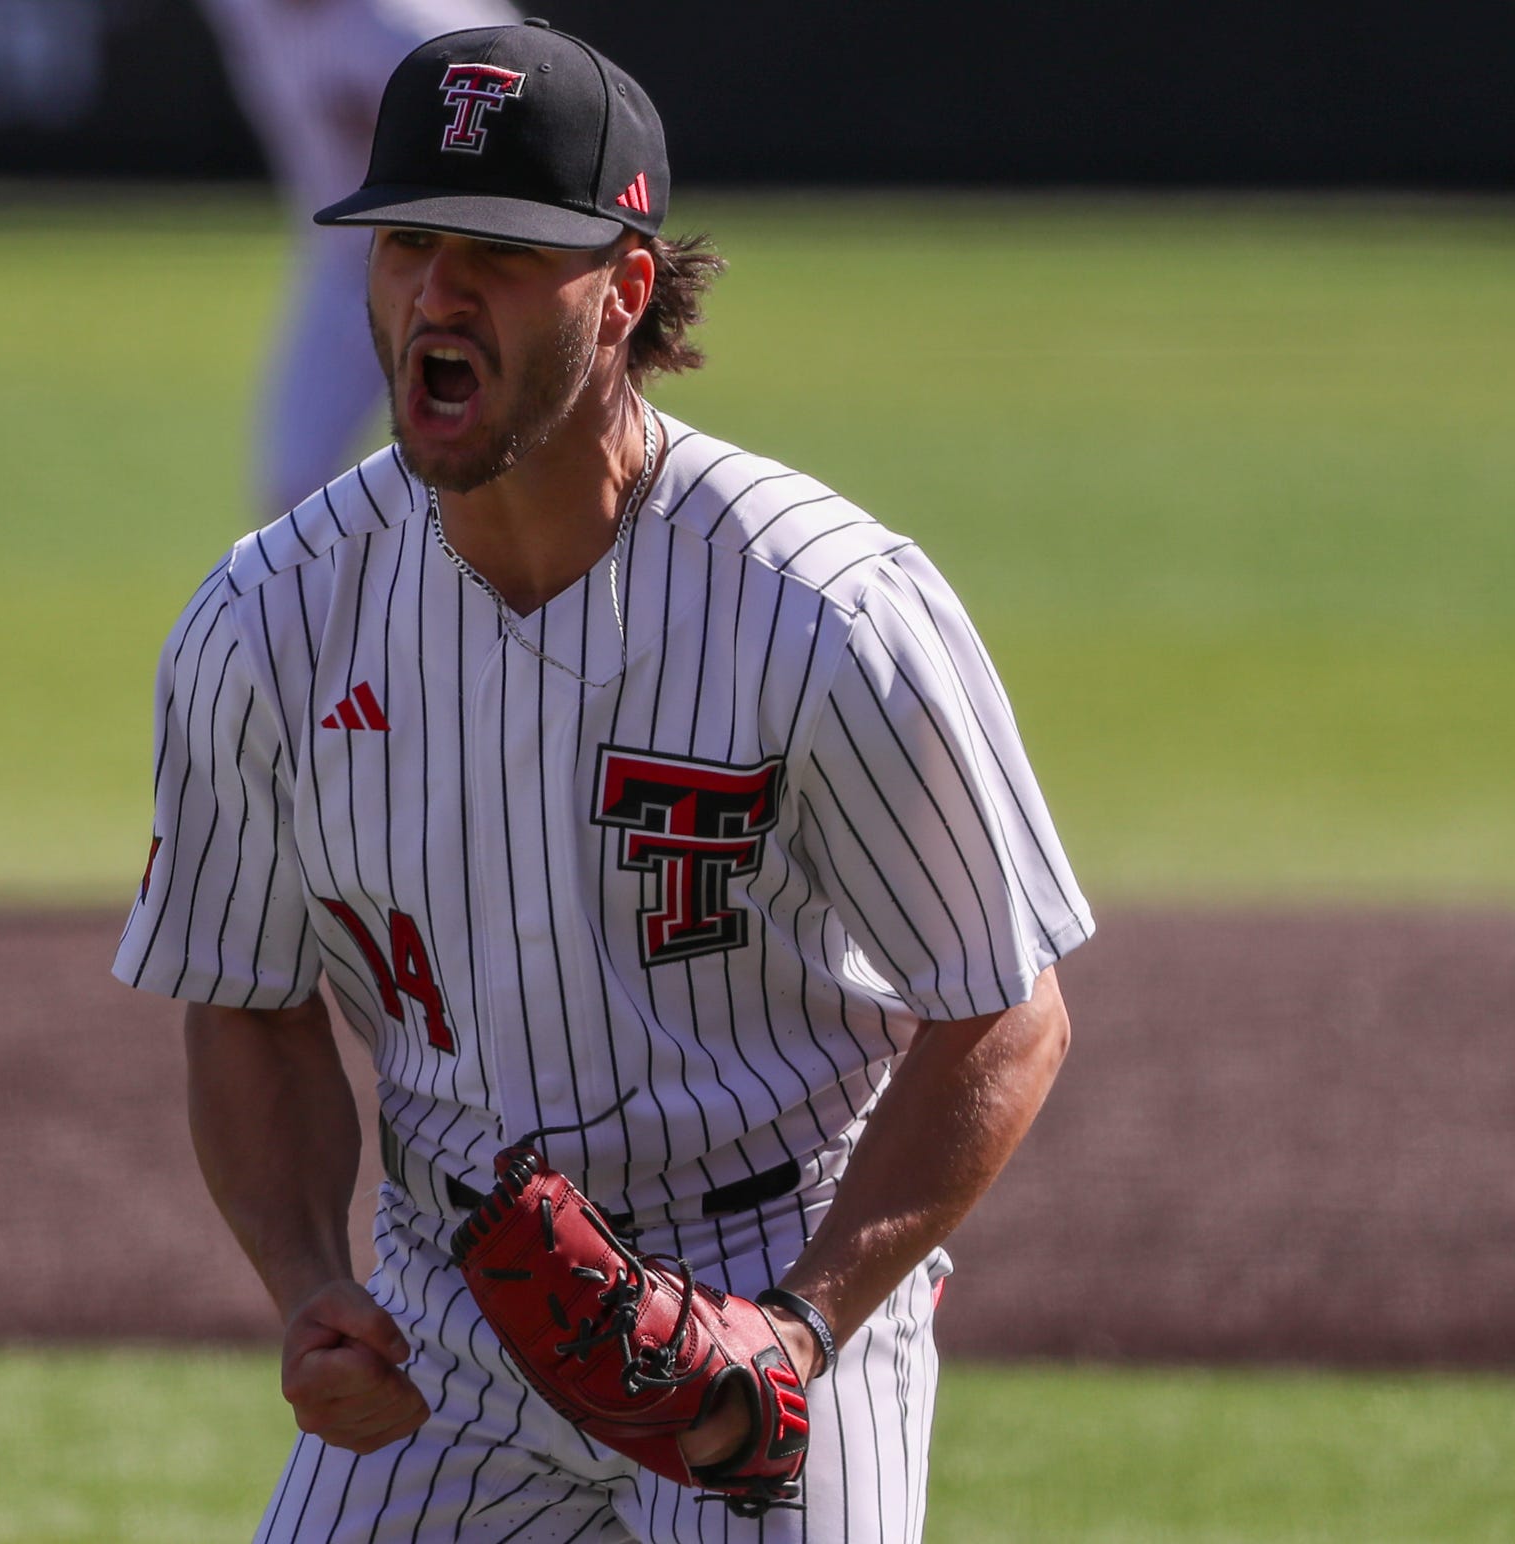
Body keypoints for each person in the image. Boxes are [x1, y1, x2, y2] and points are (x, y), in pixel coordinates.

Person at [115, 19, 1094, 1541]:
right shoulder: (267, 621)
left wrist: (803, 1325)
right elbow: (246, 997)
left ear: (624, 291)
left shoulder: (827, 610)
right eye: (406, 243)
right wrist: (309, 1284)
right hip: (446, 1296)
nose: (435, 295)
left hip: (764, 1275)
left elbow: (1004, 1013)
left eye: (498, 254)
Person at [192, 0, 518, 519]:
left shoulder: (417, 30)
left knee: (492, 484)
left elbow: (529, 109)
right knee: (293, 493)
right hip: (340, 271)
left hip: (452, 279)